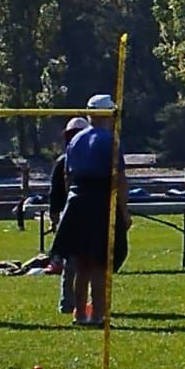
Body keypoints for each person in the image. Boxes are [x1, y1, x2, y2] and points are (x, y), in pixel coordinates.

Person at [49, 97, 130, 326]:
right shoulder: (111, 141)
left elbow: (67, 176)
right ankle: (98, 313)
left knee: (81, 261)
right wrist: (124, 210)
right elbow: (119, 179)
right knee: (100, 263)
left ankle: (79, 313)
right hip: (100, 201)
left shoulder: (75, 140)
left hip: (76, 201)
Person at [48, 115, 92, 314]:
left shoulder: (93, 159)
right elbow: (55, 192)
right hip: (70, 216)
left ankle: (88, 302)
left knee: (91, 262)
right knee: (71, 262)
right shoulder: (63, 162)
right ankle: (68, 302)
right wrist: (55, 215)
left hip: (89, 214)